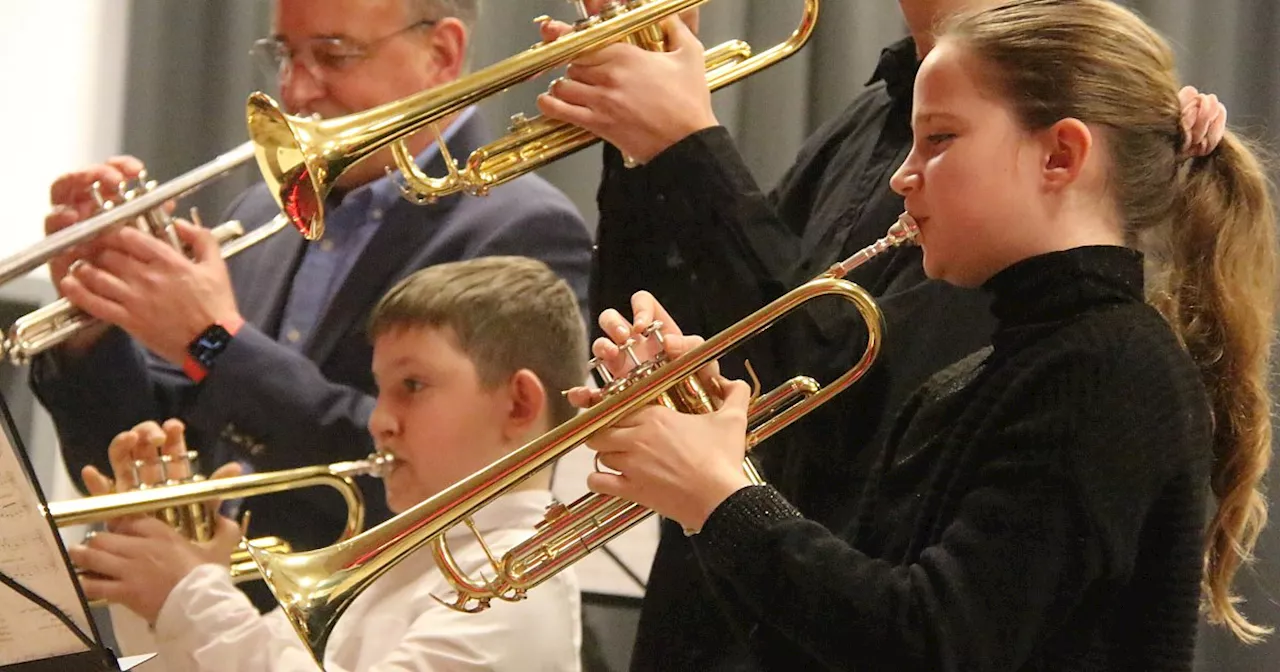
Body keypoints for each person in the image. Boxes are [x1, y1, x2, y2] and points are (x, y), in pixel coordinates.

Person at [569, 0, 1276, 668]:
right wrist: (718, 470)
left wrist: (720, 500)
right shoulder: (989, 373)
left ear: (1060, 157)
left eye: (939, 139)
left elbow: (929, 644)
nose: (904, 176)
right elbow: (831, 642)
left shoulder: (1107, 369)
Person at [33, 0, 592, 596]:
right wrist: (92, 326)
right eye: (285, 56)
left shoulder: (522, 228)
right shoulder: (257, 216)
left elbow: (436, 473)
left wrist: (212, 342)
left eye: (333, 55)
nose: (295, 93)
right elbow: (148, 464)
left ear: (442, 53)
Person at [536, 2, 1001, 667]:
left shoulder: (1009, 161)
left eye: (941, 140)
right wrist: (635, 134)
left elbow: (842, 394)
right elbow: (665, 316)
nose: (912, 174)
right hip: (710, 604)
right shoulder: (873, 111)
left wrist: (684, 144)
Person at [69, 256, 587, 672]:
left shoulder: (516, 588)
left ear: (518, 404)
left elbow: (213, 631)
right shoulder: (390, 563)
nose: (380, 419)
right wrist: (152, 587)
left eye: (413, 386)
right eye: (380, 391)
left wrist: (189, 594)